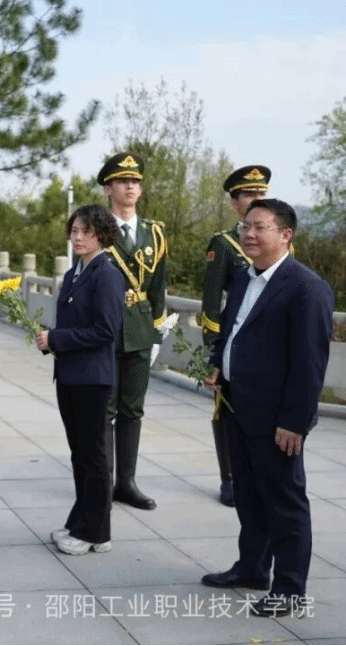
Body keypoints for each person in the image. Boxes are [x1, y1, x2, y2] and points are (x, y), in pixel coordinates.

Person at [200, 198, 334, 618]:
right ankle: (253, 569)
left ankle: (290, 589)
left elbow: (310, 365)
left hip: (277, 418)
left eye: (260, 227)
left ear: (286, 234)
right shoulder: (244, 278)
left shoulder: (306, 287)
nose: (249, 234)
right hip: (237, 405)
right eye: (245, 227)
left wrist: (295, 421)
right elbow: (231, 330)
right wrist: (217, 365)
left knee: (284, 503)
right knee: (249, 495)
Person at [36, 205, 124, 556]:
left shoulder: (107, 274)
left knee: (94, 457)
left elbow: (106, 331)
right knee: (81, 455)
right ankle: (83, 523)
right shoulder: (76, 272)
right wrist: (51, 342)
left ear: (101, 234)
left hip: (93, 379)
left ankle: (95, 532)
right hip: (70, 375)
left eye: (85, 231)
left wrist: (56, 339)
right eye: (74, 230)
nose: (77, 237)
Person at [97, 152, 167, 510]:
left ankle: (126, 483)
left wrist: (156, 332)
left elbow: (159, 288)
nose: (130, 187)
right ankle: (103, 484)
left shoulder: (154, 232)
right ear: (108, 188)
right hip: (105, 328)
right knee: (104, 409)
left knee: (132, 409)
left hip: (139, 328)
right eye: (123, 181)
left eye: (136, 181)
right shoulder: (95, 229)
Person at [199, 165, 270, 507]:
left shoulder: (281, 243)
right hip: (234, 343)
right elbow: (211, 304)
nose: (257, 199)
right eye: (249, 194)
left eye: (261, 193)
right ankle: (229, 477)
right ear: (235, 203)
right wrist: (212, 353)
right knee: (226, 411)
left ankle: (259, 474)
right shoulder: (225, 244)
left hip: (269, 344)